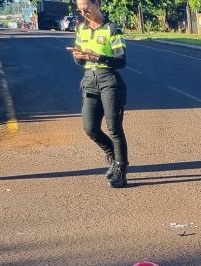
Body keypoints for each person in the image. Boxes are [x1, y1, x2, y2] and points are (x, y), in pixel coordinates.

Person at [70, 0, 128, 188]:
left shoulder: (112, 29)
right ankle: (112, 156)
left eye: (86, 8)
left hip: (109, 81)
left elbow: (121, 61)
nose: (83, 13)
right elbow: (81, 62)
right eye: (80, 10)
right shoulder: (81, 30)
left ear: (98, 4)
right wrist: (78, 57)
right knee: (90, 128)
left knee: (114, 128)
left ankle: (121, 169)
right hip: (89, 81)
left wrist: (98, 57)